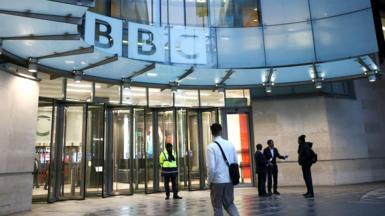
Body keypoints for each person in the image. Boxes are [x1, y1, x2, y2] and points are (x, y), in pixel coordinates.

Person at [207, 123, 239, 216]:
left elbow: (211, 167)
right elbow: (235, 162)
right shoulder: (230, 144)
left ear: (212, 133)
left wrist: (209, 181)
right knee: (230, 204)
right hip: (229, 180)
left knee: (217, 206)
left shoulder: (211, 147)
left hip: (217, 181)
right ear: (221, 131)